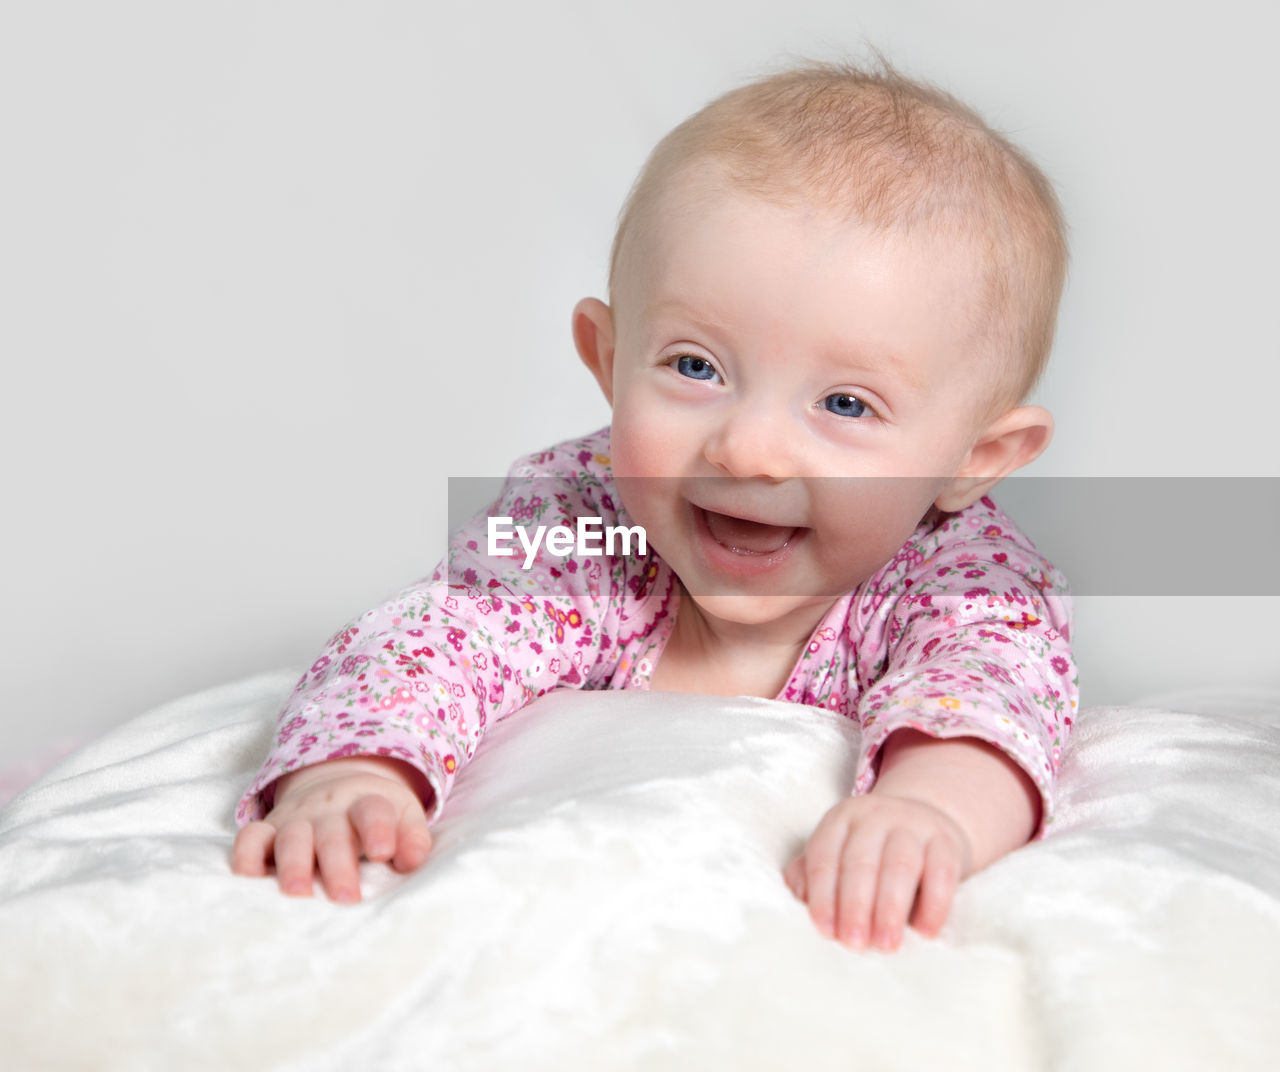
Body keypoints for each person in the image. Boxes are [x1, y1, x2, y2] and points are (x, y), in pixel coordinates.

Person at [231, 58, 1077, 955]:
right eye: (695, 367)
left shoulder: (964, 581)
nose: (747, 450)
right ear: (607, 357)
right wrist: (356, 771)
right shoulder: (583, 525)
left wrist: (928, 811)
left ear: (974, 460)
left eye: (846, 405)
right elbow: (435, 641)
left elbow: (988, 702)